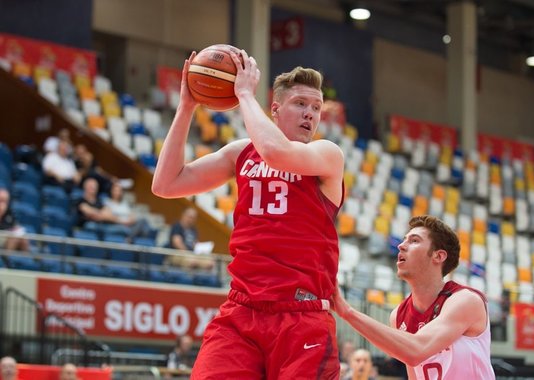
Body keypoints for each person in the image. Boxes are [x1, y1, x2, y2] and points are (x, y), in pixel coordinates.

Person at [152, 49, 345, 379]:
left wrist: (243, 93)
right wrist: (186, 107)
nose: (310, 114)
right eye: (300, 103)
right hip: (242, 310)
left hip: (302, 315)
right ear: (275, 109)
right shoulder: (241, 153)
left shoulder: (326, 155)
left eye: (315, 107)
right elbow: (166, 184)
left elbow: (276, 152)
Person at [333, 215, 495, 380]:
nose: (401, 246)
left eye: (414, 241)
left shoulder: (465, 300)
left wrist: (347, 312)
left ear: (438, 256)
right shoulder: (398, 316)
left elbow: (417, 350)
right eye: (404, 240)